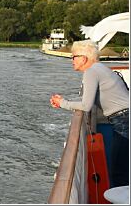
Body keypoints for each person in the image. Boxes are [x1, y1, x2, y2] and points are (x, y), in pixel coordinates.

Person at [50, 40, 129, 187]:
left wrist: (62, 104)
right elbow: (88, 98)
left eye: (74, 57)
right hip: (124, 118)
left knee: (120, 172)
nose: (71, 60)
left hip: (124, 120)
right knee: (122, 167)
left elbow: (86, 105)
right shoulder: (98, 69)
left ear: (83, 58)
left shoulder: (91, 72)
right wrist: (64, 100)